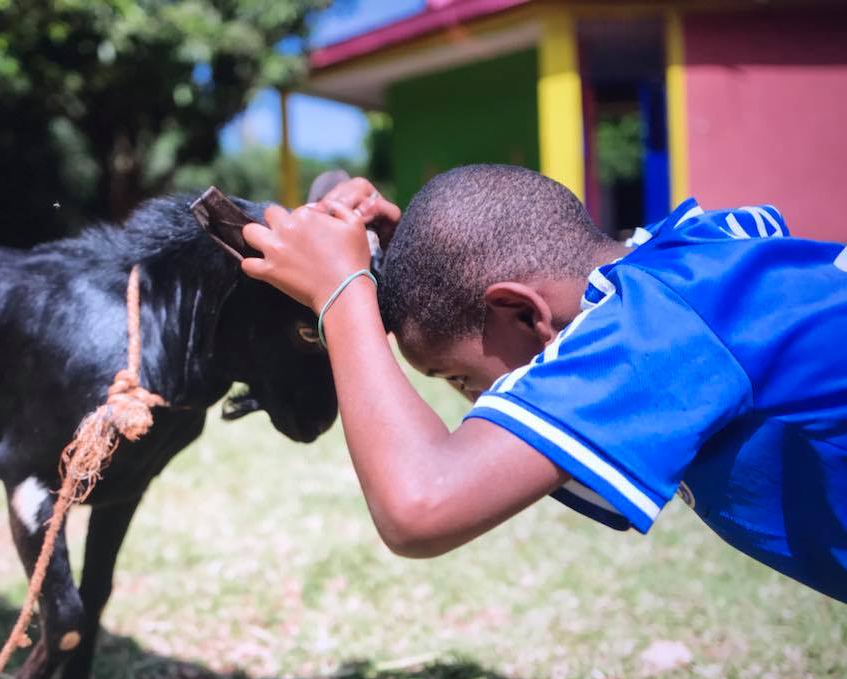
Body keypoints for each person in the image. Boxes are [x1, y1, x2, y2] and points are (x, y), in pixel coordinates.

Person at [240, 164, 847, 603]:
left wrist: (341, 296)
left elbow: (419, 507)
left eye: (462, 379)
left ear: (528, 314)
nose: (478, 404)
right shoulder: (692, 258)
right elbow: (495, 270)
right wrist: (413, 258)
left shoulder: (659, 328)